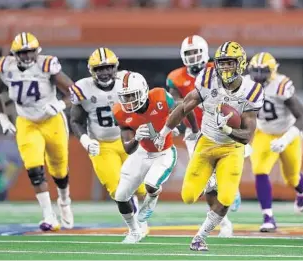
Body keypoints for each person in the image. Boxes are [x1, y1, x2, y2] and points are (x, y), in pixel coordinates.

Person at [154, 41, 264, 251]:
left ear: (240, 64)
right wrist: (164, 132)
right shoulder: (207, 79)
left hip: (232, 148)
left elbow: (248, 135)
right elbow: (184, 106)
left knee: (226, 197)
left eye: (230, 63)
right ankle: (213, 178)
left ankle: (200, 236)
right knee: (188, 197)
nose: (224, 68)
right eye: (221, 63)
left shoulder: (252, 90)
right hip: (205, 143)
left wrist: (229, 131)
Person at [0, 32, 74, 231]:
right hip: (27, 121)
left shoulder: (46, 65)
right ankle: (48, 216)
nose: (27, 56)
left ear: (37, 51)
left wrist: (60, 105)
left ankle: (64, 201)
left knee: (59, 169)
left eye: (30, 52)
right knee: (34, 168)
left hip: (52, 120)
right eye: (22, 52)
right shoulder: (5, 67)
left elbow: (73, 92)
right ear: (14, 54)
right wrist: (2, 117)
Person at [166, 35, 242, 237]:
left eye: (195, 52)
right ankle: (223, 221)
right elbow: (178, 105)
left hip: (221, 130)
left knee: (223, 171)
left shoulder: (217, 69)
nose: (192, 57)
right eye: (188, 53)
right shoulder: (176, 77)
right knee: (208, 182)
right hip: (195, 132)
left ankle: (230, 188)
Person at [69, 48, 146, 212]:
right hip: (102, 145)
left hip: (128, 139)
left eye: (108, 67)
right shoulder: (83, 88)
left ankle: (141, 217)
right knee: (118, 190)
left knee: (142, 188)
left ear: (115, 67)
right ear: (91, 70)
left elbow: (142, 107)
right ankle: (136, 225)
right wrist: (86, 141)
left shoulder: (127, 81)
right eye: (99, 69)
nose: (104, 72)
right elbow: (76, 120)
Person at [112, 72, 178, 243]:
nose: (129, 101)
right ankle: (134, 231)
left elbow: (183, 108)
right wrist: (136, 138)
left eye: (132, 96)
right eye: (125, 97)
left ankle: (152, 199)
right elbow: (128, 148)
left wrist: (184, 128)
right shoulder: (120, 112)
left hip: (164, 152)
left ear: (143, 91)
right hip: (142, 152)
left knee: (151, 184)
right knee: (120, 196)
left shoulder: (161, 97)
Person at [247, 52, 303, 232]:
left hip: (287, 133)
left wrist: (286, 139)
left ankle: (301, 190)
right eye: (255, 71)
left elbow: (302, 116)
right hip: (263, 133)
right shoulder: (246, 85)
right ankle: (268, 217)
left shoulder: (281, 85)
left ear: (272, 71)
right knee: (259, 170)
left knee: (291, 178)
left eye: (262, 71)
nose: (258, 75)